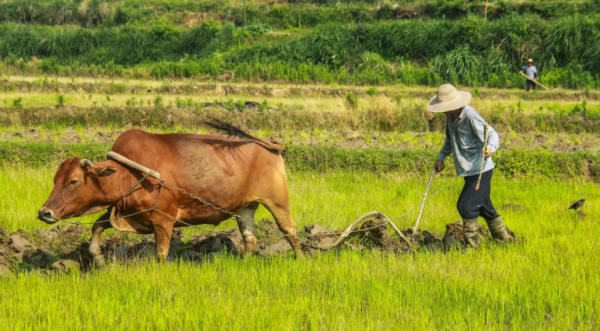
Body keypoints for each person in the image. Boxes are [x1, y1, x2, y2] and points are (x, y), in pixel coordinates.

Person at [429, 84, 512, 246]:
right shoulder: (449, 117)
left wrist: (490, 147)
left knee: (465, 205)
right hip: (467, 171)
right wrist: (441, 157)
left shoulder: (469, 115)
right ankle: (504, 241)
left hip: (480, 169)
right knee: (484, 206)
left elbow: (492, 133)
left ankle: (472, 247)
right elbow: (449, 140)